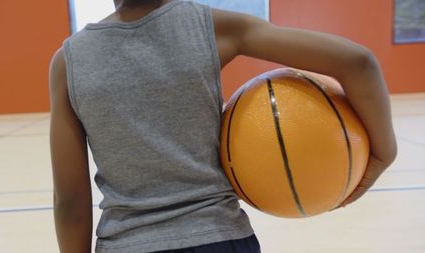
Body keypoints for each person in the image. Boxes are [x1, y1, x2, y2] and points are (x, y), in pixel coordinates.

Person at [48, 0, 398, 252]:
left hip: (127, 244)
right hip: (219, 239)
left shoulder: (70, 62)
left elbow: (72, 203)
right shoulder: (208, 27)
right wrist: (383, 153)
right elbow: (360, 63)